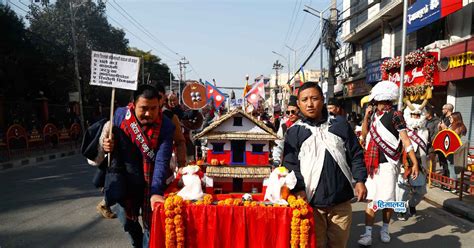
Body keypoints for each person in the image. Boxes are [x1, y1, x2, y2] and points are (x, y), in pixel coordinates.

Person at [283, 82, 367, 248]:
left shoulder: (340, 125)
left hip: (341, 203)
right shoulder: (294, 132)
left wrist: (360, 180)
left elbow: (356, 154)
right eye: (305, 99)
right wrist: (299, 189)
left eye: (314, 98)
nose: (310, 103)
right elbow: (291, 165)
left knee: (339, 244)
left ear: (322, 100)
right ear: (298, 104)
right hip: (312, 204)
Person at [99, 85, 174, 247]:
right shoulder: (119, 115)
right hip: (124, 178)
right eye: (144, 108)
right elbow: (107, 138)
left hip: (151, 179)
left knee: (151, 224)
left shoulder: (166, 126)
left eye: (154, 108)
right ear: (133, 104)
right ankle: (137, 242)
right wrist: (106, 145)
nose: (149, 113)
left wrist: (156, 192)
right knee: (127, 221)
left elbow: (162, 160)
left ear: (160, 104)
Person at [358, 81, 419, 246]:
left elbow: (406, 139)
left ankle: (385, 229)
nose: (381, 104)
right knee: (372, 201)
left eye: (384, 101)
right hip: (372, 165)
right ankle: (367, 234)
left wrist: (414, 162)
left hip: (388, 164)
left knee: (387, 200)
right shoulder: (372, 116)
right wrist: (365, 117)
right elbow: (364, 135)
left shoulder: (396, 115)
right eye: (379, 102)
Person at [396, 104, 429, 220]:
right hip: (404, 163)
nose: (416, 116)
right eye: (413, 114)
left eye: (418, 114)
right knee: (402, 190)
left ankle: (411, 205)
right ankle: (401, 209)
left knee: (421, 191)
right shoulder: (401, 130)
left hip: (420, 165)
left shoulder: (425, 131)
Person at [158, 86, 187, 168]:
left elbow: (180, 142)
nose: (173, 102)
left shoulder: (171, 115)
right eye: (171, 101)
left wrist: (181, 165)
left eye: (174, 100)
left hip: (168, 154)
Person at [272, 95, 299, 166]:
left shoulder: (306, 126)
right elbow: (278, 144)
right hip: (288, 164)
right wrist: (276, 159)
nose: (290, 114)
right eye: (288, 112)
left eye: (293, 112)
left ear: (299, 112)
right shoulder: (284, 127)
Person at [440, 112, 467, 182]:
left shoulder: (458, 127)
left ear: (455, 118)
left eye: (451, 118)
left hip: (453, 149)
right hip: (449, 148)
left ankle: (453, 184)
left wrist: (445, 128)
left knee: (451, 167)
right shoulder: (453, 125)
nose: (449, 119)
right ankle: (452, 183)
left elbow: (452, 136)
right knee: (450, 166)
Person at [424, 106, 440, 172]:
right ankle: (426, 173)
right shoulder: (425, 121)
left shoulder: (436, 121)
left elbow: (436, 133)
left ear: (429, 114)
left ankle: (432, 175)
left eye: (425, 113)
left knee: (432, 159)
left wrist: (430, 141)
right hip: (424, 143)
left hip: (432, 144)